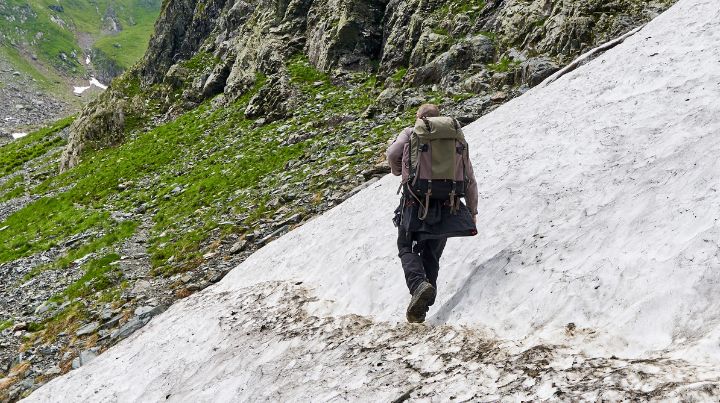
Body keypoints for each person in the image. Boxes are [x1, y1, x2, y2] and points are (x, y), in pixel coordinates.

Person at [386, 103, 478, 323]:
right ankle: (423, 304)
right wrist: (472, 211)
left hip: (415, 201)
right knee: (432, 254)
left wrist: (398, 170)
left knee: (406, 245)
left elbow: (392, 154)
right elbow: (469, 178)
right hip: (449, 203)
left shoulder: (411, 132)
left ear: (419, 118)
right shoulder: (455, 136)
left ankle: (419, 285)